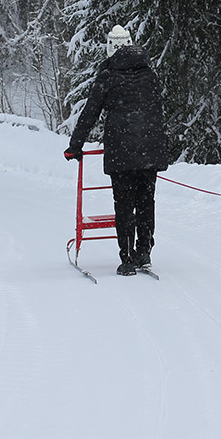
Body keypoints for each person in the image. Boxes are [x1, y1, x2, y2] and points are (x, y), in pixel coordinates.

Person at [65, 25, 171, 276]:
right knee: (146, 202)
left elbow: (90, 113)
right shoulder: (150, 75)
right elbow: (155, 110)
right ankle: (144, 252)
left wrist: (75, 146)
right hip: (149, 150)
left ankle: (127, 258)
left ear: (110, 48)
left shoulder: (108, 77)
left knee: (123, 204)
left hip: (122, 151)